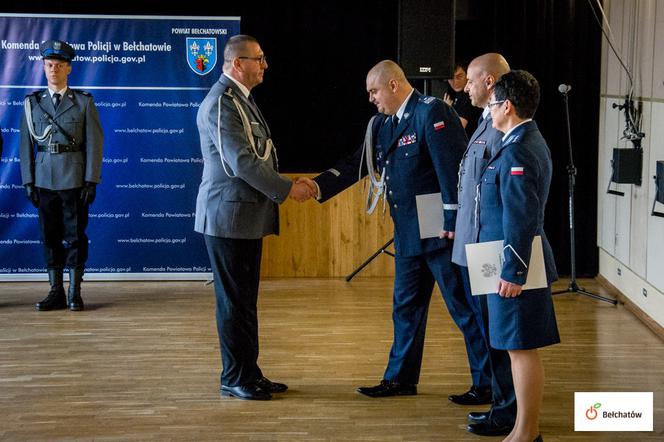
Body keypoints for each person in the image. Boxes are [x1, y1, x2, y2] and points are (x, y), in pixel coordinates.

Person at [298, 60, 490, 400]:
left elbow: (453, 171)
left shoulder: (431, 113)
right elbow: (357, 162)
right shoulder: (383, 125)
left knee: (462, 307)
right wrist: (317, 186)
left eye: (373, 91)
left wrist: (451, 222)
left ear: (392, 86)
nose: (371, 98)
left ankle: (487, 382)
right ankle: (400, 378)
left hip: (439, 230)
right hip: (407, 230)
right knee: (405, 308)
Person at [194, 34, 313, 401]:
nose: (264, 65)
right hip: (227, 219)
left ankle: (250, 372)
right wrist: (286, 188)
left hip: (242, 218)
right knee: (233, 302)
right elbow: (240, 162)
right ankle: (234, 376)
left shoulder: (240, 100)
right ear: (237, 63)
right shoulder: (221, 102)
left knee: (244, 302)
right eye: (258, 59)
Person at [478, 70, 560, 442]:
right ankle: (524, 429)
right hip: (513, 261)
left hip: (517, 265)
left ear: (506, 106)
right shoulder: (522, 140)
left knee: (521, 348)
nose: (490, 110)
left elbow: (520, 216)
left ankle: (526, 432)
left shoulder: (520, 148)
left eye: (493, 103)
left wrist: (514, 271)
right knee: (516, 348)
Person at [453, 53, 518, 437]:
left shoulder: (503, 129)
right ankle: (500, 402)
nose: (467, 87)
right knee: (488, 330)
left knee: (500, 334)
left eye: (472, 81)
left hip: (491, 248)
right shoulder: (484, 122)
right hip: (474, 245)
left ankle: (507, 410)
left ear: (491, 82)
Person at [19, 40, 103, 312]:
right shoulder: (33, 103)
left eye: (58, 65)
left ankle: (74, 293)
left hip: (74, 180)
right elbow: (25, 146)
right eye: (48, 65)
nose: (52, 70)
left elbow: (95, 143)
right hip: (43, 180)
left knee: (76, 237)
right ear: (44, 67)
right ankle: (55, 291)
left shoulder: (83, 102)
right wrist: (28, 181)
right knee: (49, 237)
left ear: (69, 68)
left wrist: (91, 180)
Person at [442, 62, 482, 138]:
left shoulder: (468, 96)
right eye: (451, 78)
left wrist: (447, 110)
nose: (455, 81)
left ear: (467, 76)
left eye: (459, 76)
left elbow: (457, 130)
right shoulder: (452, 94)